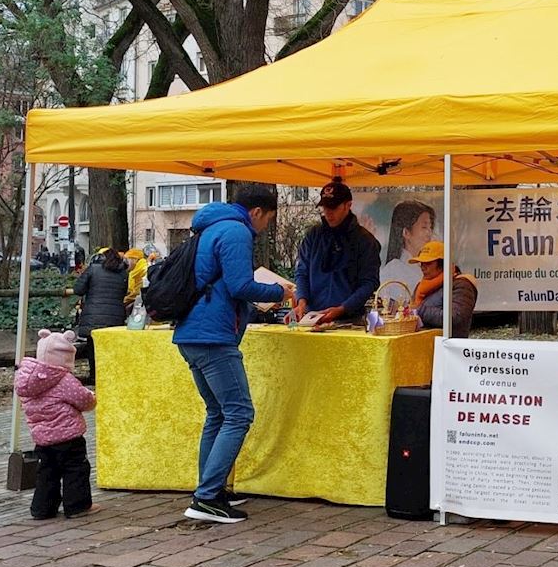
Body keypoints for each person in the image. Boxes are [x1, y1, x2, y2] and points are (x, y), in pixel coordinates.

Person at [174, 185, 293, 524]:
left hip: (192, 331)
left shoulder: (210, 227)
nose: (265, 227)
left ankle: (211, 488)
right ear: (257, 212)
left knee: (217, 413)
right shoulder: (236, 231)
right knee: (239, 413)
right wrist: (279, 291)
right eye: (268, 219)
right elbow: (240, 285)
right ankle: (207, 498)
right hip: (213, 334)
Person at [15, 329, 96, 519]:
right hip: (68, 436)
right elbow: (84, 400)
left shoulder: (26, 381)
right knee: (75, 470)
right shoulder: (64, 379)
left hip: (42, 438)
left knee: (46, 473)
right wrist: (92, 397)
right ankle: (77, 506)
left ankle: (42, 509)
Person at [293, 180, 382, 325]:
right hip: (312, 318)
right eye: (325, 207)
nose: (328, 212)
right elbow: (302, 272)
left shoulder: (365, 241)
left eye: (333, 207)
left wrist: (343, 308)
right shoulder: (313, 236)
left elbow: (369, 283)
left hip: (349, 320)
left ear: (348, 205)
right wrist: (301, 301)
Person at [73, 246, 130, 367]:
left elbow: (78, 289)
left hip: (93, 317)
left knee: (93, 350)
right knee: (110, 351)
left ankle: (94, 375)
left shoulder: (93, 269)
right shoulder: (123, 273)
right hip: (115, 318)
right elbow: (123, 293)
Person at [410, 241, 478, 338]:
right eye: (421, 263)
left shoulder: (462, 285)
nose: (423, 268)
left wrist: (418, 310)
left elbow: (454, 317)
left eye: (428, 263)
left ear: (443, 264)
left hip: (447, 344)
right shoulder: (420, 286)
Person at [378, 200, 437, 304]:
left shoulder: (430, 266)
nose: (429, 233)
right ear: (406, 233)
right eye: (424, 227)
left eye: (430, 227)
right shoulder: (392, 270)